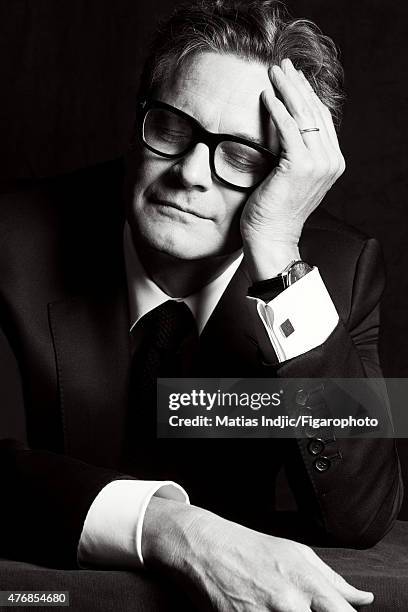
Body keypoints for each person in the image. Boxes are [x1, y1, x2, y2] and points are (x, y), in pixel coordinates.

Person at [0, 1, 402, 610]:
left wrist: (277, 254)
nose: (191, 172)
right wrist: (172, 532)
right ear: (140, 115)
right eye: (170, 127)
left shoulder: (333, 276)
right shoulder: (10, 241)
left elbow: (361, 513)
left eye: (240, 156)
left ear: (287, 174)